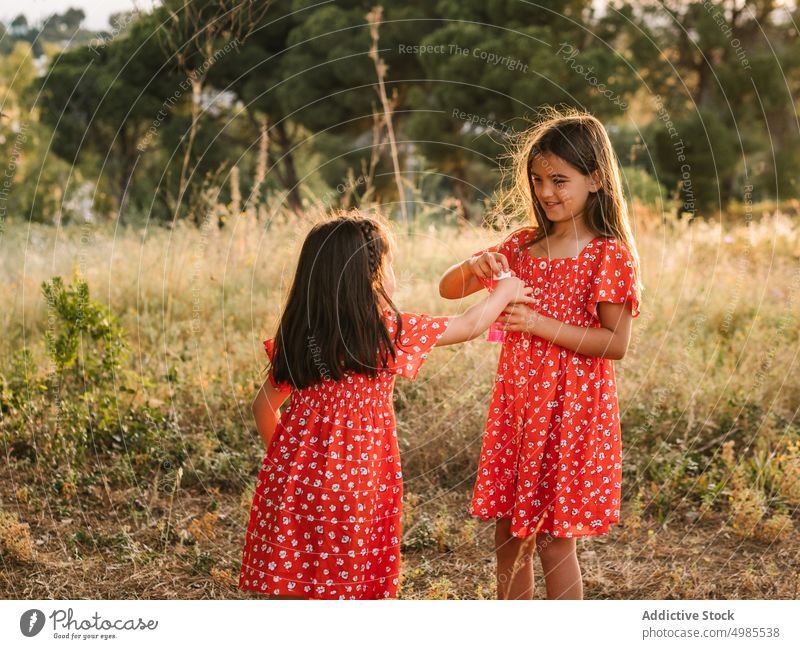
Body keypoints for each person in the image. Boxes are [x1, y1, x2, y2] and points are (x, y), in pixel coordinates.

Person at [238, 210, 533, 600]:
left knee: (297, 579)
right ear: (371, 275)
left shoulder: (300, 334)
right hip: (358, 488)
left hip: (292, 487)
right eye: (388, 262)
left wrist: (291, 468)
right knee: (347, 583)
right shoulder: (385, 332)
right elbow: (467, 326)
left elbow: (263, 407)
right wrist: (504, 293)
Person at [439, 108, 644, 600]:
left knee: (554, 541)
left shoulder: (607, 254)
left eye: (559, 180)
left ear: (595, 179)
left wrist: (537, 324)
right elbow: (448, 290)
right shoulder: (523, 245)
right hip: (518, 408)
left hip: (572, 412)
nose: (546, 192)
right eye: (537, 180)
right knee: (509, 537)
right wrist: (476, 265)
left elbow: (615, 343)